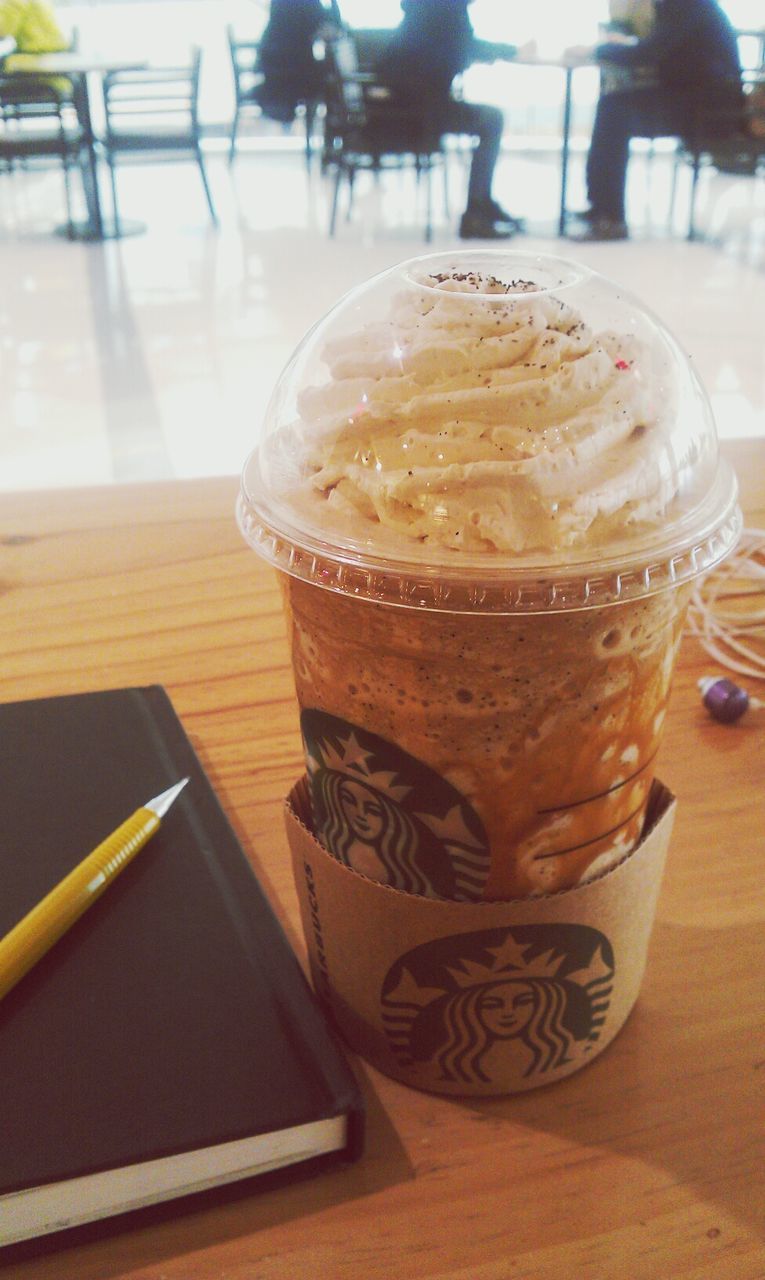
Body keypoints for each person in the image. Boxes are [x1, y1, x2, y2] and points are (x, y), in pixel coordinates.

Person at [568, 0, 743, 241]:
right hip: (698, 101)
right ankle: (602, 209)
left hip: (707, 112)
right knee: (613, 105)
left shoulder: (686, 4)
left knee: (614, 110)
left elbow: (649, 53)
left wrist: (598, 50)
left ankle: (609, 216)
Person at [380, 0, 533, 240]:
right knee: (492, 119)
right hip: (419, 113)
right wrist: (510, 51)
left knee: (489, 118)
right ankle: (476, 211)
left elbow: (456, 49)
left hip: (405, 107)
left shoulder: (426, 7)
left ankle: (482, 203)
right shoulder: (447, 8)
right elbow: (466, 47)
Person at [254, 0, 339, 125]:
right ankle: (337, 127)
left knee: (326, 72)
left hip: (272, 73)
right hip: (292, 75)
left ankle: (330, 129)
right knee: (333, 76)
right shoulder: (309, 3)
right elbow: (329, 28)